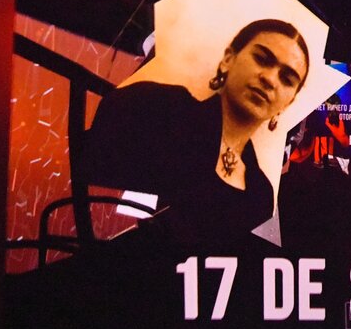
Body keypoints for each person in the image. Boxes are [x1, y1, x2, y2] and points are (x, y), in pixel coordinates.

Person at [81, 18, 310, 247]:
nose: (269, 79)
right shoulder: (160, 107)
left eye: (287, 79)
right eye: (261, 59)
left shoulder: (261, 193)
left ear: (287, 103)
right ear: (228, 60)